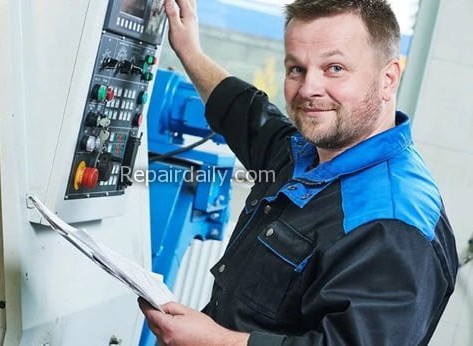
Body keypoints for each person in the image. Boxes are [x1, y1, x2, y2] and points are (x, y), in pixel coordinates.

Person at [139, 0, 459, 344]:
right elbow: (246, 113)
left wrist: (214, 340)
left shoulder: (394, 224)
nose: (308, 89)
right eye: (296, 69)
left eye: (334, 68)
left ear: (388, 78)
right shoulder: (304, 155)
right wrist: (189, 50)